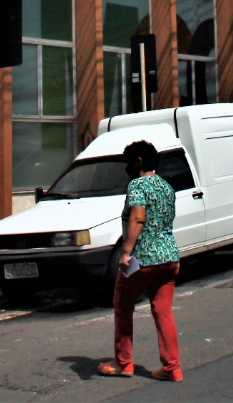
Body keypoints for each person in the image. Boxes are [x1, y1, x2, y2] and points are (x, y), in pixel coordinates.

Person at [99, 139, 182, 382]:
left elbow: (137, 217)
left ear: (137, 162)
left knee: (123, 306)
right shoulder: (167, 187)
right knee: (163, 311)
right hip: (169, 258)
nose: (126, 169)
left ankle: (123, 362)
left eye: (128, 163)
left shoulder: (137, 185)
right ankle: (172, 367)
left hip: (142, 259)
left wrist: (126, 252)